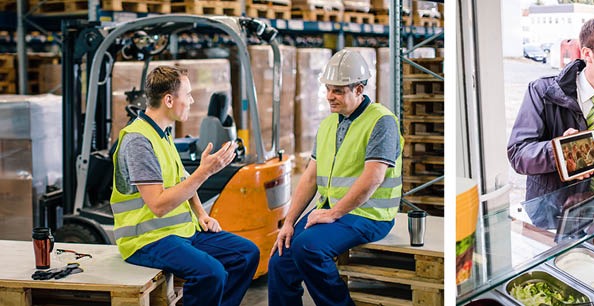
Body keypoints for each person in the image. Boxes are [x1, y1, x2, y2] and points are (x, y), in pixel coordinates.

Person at [110, 66, 259, 306]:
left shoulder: (163, 134)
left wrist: (202, 214)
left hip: (179, 233)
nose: (191, 100)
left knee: (246, 254)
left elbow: (183, 181)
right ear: (169, 100)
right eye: (187, 94)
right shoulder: (139, 140)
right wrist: (206, 171)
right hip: (146, 240)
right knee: (211, 273)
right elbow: (158, 205)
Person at [268, 49, 403, 306]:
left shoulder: (381, 121)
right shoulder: (330, 123)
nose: (330, 96)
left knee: (308, 247)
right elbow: (309, 178)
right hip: (333, 212)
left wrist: (333, 213)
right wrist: (288, 222)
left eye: (338, 91)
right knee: (279, 258)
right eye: (329, 89)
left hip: (368, 216)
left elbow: (373, 177)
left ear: (359, 89)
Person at [508, 16, 594, 200]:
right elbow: (518, 154)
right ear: (587, 54)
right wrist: (560, 152)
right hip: (553, 216)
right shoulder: (542, 92)